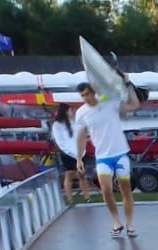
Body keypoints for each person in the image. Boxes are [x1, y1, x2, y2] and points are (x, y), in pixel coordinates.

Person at [73, 80, 138, 237]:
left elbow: (134, 105)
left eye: (87, 94)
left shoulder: (109, 102)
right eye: (82, 96)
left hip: (120, 153)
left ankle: (130, 223)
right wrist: (79, 158)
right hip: (103, 157)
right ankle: (116, 222)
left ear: (93, 92)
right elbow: (81, 136)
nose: (85, 98)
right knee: (106, 190)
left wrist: (129, 86)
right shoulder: (81, 113)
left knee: (125, 189)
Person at [50, 103, 93, 205]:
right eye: (70, 110)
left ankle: (87, 197)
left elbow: (82, 136)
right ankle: (70, 199)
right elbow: (60, 141)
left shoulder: (76, 123)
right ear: (65, 111)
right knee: (69, 175)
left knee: (82, 174)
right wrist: (68, 152)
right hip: (67, 153)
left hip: (79, 153)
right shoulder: (57, 125)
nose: (72, 112)